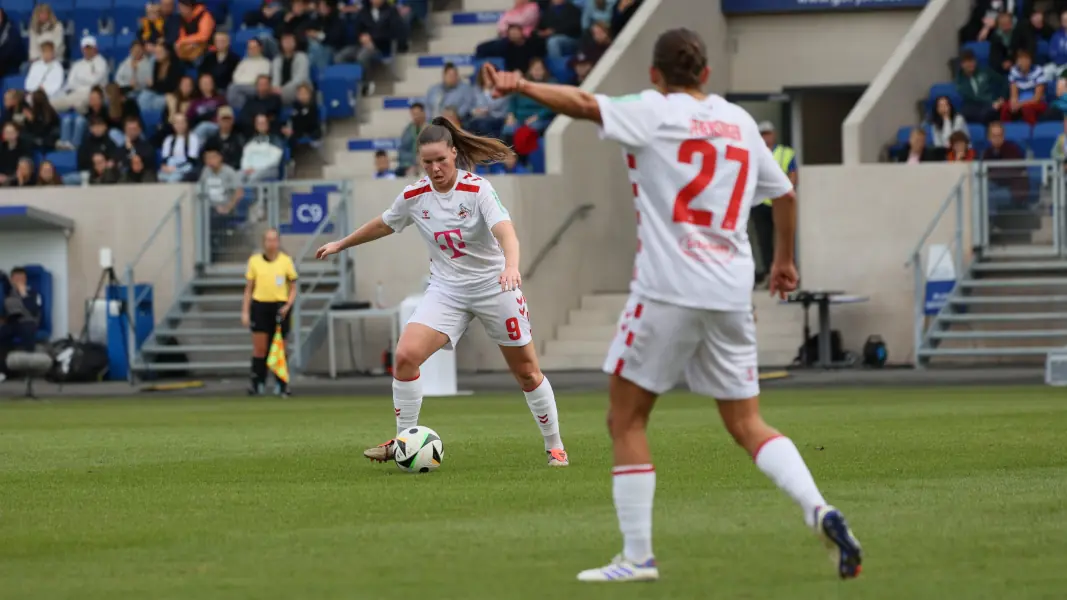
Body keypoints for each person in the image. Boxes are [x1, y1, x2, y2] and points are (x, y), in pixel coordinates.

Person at [483, 27, 861, 582]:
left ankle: (637, 557)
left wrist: (521, 84)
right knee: (747, 421)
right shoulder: (736, 121)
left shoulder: (653, 110)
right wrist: (783, 261)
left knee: (626, 417)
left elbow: (585, 104)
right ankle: (819, 509)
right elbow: (785, 193)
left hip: (668, 288)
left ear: (655, 75)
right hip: (732, 291)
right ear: (706, 73)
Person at [315, 117, 570, 468]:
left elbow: (506, 233)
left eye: (441, 160)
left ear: (454, 153)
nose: (435, 169)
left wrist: (511, 266)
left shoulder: (477, 189)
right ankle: (405, 441)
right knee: (405, 356)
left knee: (527, 372)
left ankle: (554, 445)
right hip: (447, 290)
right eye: (428, 162)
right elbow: (384, 223)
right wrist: (342, 243)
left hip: (494, 285)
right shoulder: (415, 195)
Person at [242, 229, 297, 396]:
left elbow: (293, 288)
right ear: (263, 242)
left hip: (280, 307)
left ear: (278, 242)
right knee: (260, 349)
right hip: (260, 306)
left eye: (274, 240)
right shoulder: (254, 261)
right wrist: (245, 311)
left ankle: (282, 384)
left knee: (280, 347)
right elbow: (248, 289)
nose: (271, 243)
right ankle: (257, 382)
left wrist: (287, 305)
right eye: (268, 240)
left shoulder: (286, 261)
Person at [749, 120, 795, 288]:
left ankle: (783, 271)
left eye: (768, 134)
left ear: (774, 134)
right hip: (759, 204)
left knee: (782, 238)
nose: (766, 137)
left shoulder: (785, 152)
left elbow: (792, 174)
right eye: (763, 134)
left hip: (778, 203)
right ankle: (770, 274)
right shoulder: (754, 151)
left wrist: (789, 187)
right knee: (764, 240)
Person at [51, 36, 110, 114]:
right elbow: (70, 83)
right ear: (82, 49)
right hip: (75, 93)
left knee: (79, 103)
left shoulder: (101, 62)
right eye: (85, 48)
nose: (87, 50)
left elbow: (94, 81)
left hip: (93, 94)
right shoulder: (77, 64)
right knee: (51, 103)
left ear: (95, 48)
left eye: (90, 48)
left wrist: (79, 79)